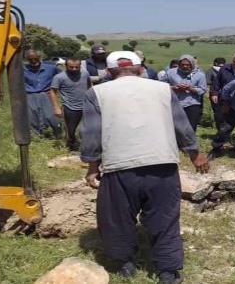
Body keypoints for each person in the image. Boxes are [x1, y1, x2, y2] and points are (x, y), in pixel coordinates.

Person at [80, 51, 209, 284]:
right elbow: (182, 124)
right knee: (165, 219)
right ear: (141, 68)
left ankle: (125, 263)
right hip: (162, 164)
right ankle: (168, 272)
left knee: (117, 219)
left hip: (119, 166)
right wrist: (195, 154)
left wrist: (92, 167)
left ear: (109, 72)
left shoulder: (96, 93)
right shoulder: (162, 89)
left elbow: (91, 133)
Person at [49, 57, 91, 151]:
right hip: (70, 107)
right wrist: (56, 108)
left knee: (87, 129)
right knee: (70, 130)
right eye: (71, 67)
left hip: (85, 106)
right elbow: (53, 91)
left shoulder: (85, 74)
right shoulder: (59, 77)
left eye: (77, 67)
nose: (74, 69)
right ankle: (72, 147)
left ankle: (86, 146)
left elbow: (89, 85)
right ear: (66, 66)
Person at [160, 55, 206, 131]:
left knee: (190, 127)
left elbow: (202, 90)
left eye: (187, 65)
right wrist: (174, 88)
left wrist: (190, 89)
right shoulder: (171, 72)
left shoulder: (200, 75)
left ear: (192, 65)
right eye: (182, 64)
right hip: (174, 103)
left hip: (192, 104)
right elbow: (162, 85)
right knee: (174, 127)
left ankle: (188, 142)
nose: (185, 66)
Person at [24, 49, 61, 136]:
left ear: (39, 57)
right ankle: (37, 137)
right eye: (30, 59)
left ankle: (58, 135)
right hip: (30, 95)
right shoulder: (23, 69)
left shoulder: (51, 68)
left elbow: (62, 76)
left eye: (35, 58)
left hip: (46, 94)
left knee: (52, 117)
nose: (33, 61)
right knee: (32, 118)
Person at [206, 57, 226, 130]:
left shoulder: (211, 70)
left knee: (217, 111)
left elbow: (208, 81)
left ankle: (220, 128)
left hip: (214, 93)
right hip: (226, 93)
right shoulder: (226, 70)